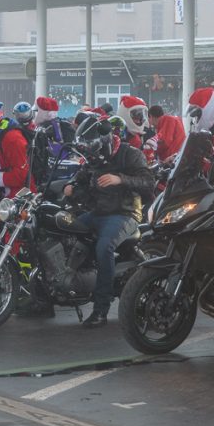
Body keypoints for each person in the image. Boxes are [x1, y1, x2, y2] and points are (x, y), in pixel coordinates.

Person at [64, 117, 155, 327]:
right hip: (96, 212)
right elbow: (80, 178)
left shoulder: (130, 154)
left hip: (124, 213)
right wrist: (70, 186)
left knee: (104, 247)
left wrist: (120, 179)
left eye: (93, 151)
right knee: (63, 230)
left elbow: (149, 181)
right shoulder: (92, 159)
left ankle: (100, 309)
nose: (91, 156)